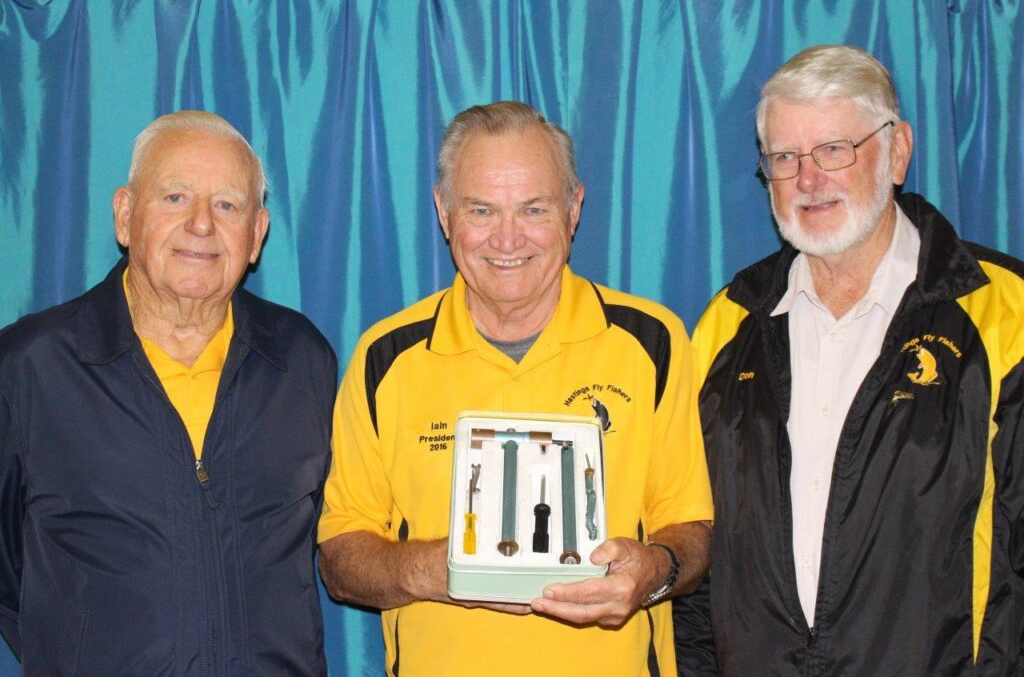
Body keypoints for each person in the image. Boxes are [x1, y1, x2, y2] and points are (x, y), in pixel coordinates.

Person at [318, 100, 713, 676]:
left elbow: (692, 528)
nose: (507, 239)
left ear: (574, 209)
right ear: (444, 212)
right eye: (481, 210)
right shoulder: (386, 358)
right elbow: (340, 557)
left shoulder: (652, 342)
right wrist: (441, 569)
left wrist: (652, 570)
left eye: (533, 208)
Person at [674, 45, 1024, 676]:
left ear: (897, 151)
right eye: (785, 158)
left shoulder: (1005, 314)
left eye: (834, 149)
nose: (808, 180)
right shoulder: (728, 325)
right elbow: (697, 545)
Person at [0, 111, 336, 675]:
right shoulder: (30, 365)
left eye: (227, 205)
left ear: (256, 235)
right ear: (126, 216)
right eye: (175, 197)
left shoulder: (301, 358)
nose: (202, 225)